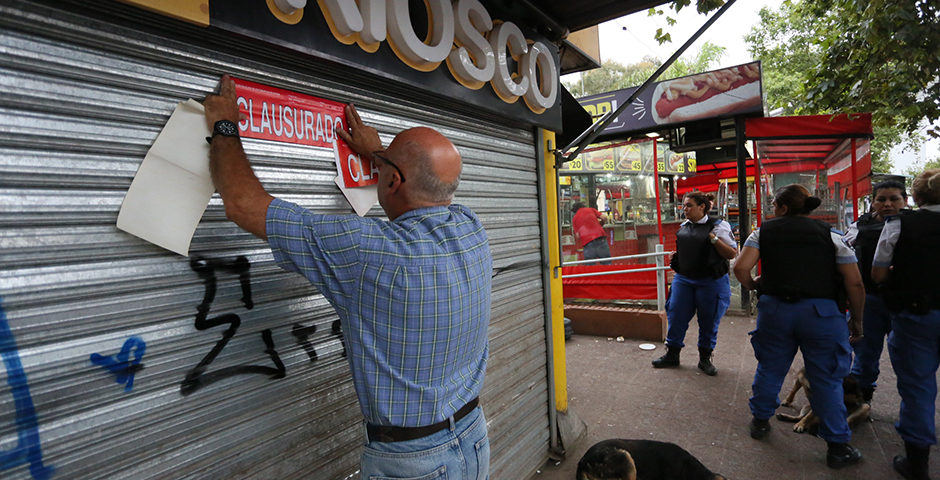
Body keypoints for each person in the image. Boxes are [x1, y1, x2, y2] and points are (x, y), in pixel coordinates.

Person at [203, 75, 492, 479]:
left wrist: (225, 126)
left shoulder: (366, 251)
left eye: (386, 163)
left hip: (414, 465)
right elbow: (421, 186)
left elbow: (242, 204)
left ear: (392, 179)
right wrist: (378, 152)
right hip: (473, 438)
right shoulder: (470, 227)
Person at [733, 184, 865, 469]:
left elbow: (741, 268)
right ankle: (837, 447)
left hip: (776, 310)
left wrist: (754, 285)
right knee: (827, 378)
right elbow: (854, 282)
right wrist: (857, 319)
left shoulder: (763, 232)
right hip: (822, 314)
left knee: (770, 367)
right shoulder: (832, 235)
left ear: (781, 207)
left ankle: (759, 422)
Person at [872, 169, 940, 480]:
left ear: (915, 198)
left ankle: (917, 463)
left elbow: (879, 275)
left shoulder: (899, 224)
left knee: (917, 387)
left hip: (916, 316)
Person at [652, 192, 737, 375]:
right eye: (684, 206)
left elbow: (732, 254)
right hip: (684, 279)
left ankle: (705, 358)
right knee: (676, 315)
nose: (685, 209)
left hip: (711, 281)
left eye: (689, 205)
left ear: (702, 207)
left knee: (708, 319)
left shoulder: (719, 226)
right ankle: (672, 354)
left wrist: (714, 240)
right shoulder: (684, 227)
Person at [841, 180, 908, 402]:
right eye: (881, 199)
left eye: (894, 199)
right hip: (870, 299)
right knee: (865, 351)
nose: (887, 204)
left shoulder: (917, 226)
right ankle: (861, 396)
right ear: (873, 202)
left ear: (905, 201)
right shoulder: (859, 227)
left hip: (906, 301)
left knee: (908, 357)